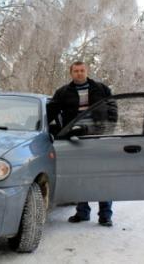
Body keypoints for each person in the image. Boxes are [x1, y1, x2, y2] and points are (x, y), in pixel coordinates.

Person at [47, 61, 115, 227]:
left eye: (82, 70)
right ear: (71, 73)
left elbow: (113, 108)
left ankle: (105, 215)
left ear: (87, 71)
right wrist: (40, 127)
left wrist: (109, 128)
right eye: (76, 71)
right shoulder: (63, 92)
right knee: (80, 177)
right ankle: (82, 213)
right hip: (75, 140)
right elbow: (51, 112)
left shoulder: (101, 88)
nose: (79, 73)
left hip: (98, 138)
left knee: (102, 177)